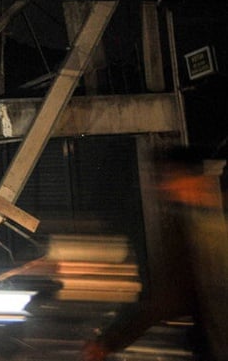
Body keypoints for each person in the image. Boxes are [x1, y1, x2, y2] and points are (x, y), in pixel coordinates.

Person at [81, 146, 227, 360]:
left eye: (170, 177)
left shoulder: (193, 230)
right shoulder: (209, 221)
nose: (164, 187)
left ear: (191, 178)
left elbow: (165, 300)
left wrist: (108, 342)